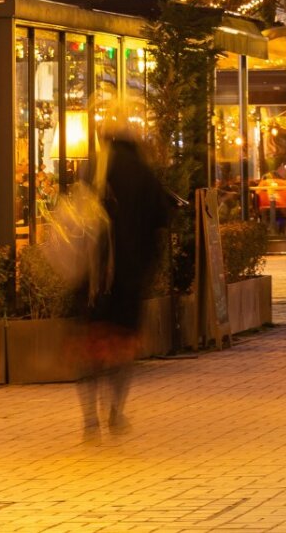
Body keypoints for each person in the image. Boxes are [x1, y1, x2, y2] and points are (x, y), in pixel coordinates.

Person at [80, 120, 174, 434]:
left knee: (91, 345)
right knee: (121, 346)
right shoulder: (144, 174)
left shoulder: (97, 168)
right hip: (129, 276)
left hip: (92, 276)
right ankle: (115, 411)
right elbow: (163, 218)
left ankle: (89, 418)